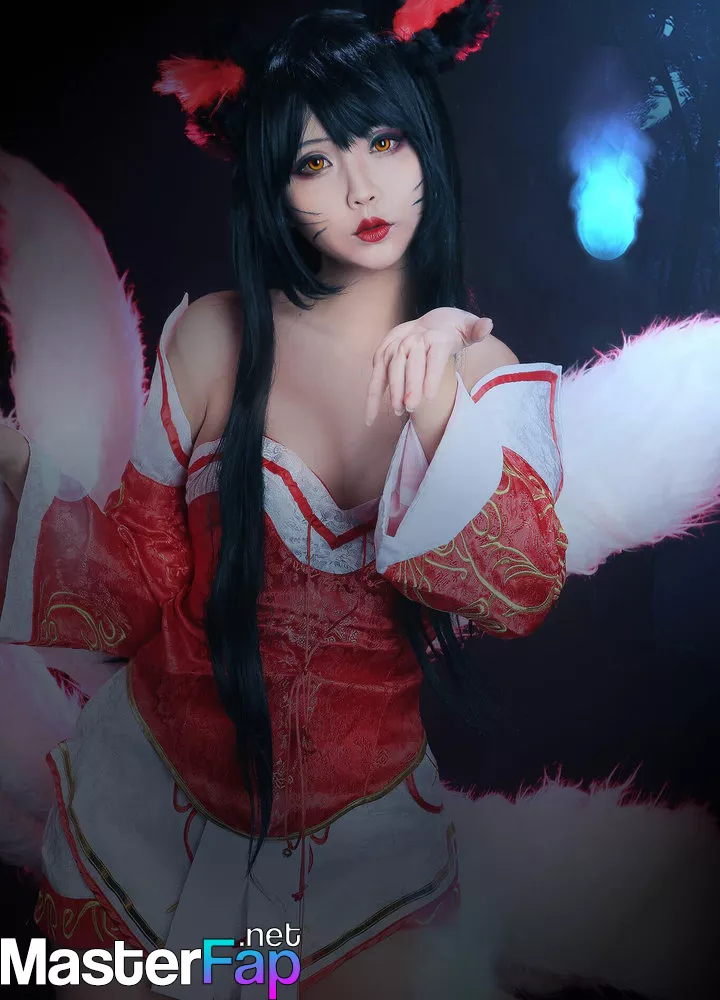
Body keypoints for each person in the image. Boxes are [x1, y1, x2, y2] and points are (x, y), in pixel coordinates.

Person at [0, 5, 568, 997]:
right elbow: (133, 589)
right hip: (151, 814)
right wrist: (13, 464)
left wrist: (439, 390)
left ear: (425, 144)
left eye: (383, 142)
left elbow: (519, 590)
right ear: (273, 187)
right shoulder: (215, 339)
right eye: (314, 162)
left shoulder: (484, 374)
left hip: (362, 864)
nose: (360, 189)